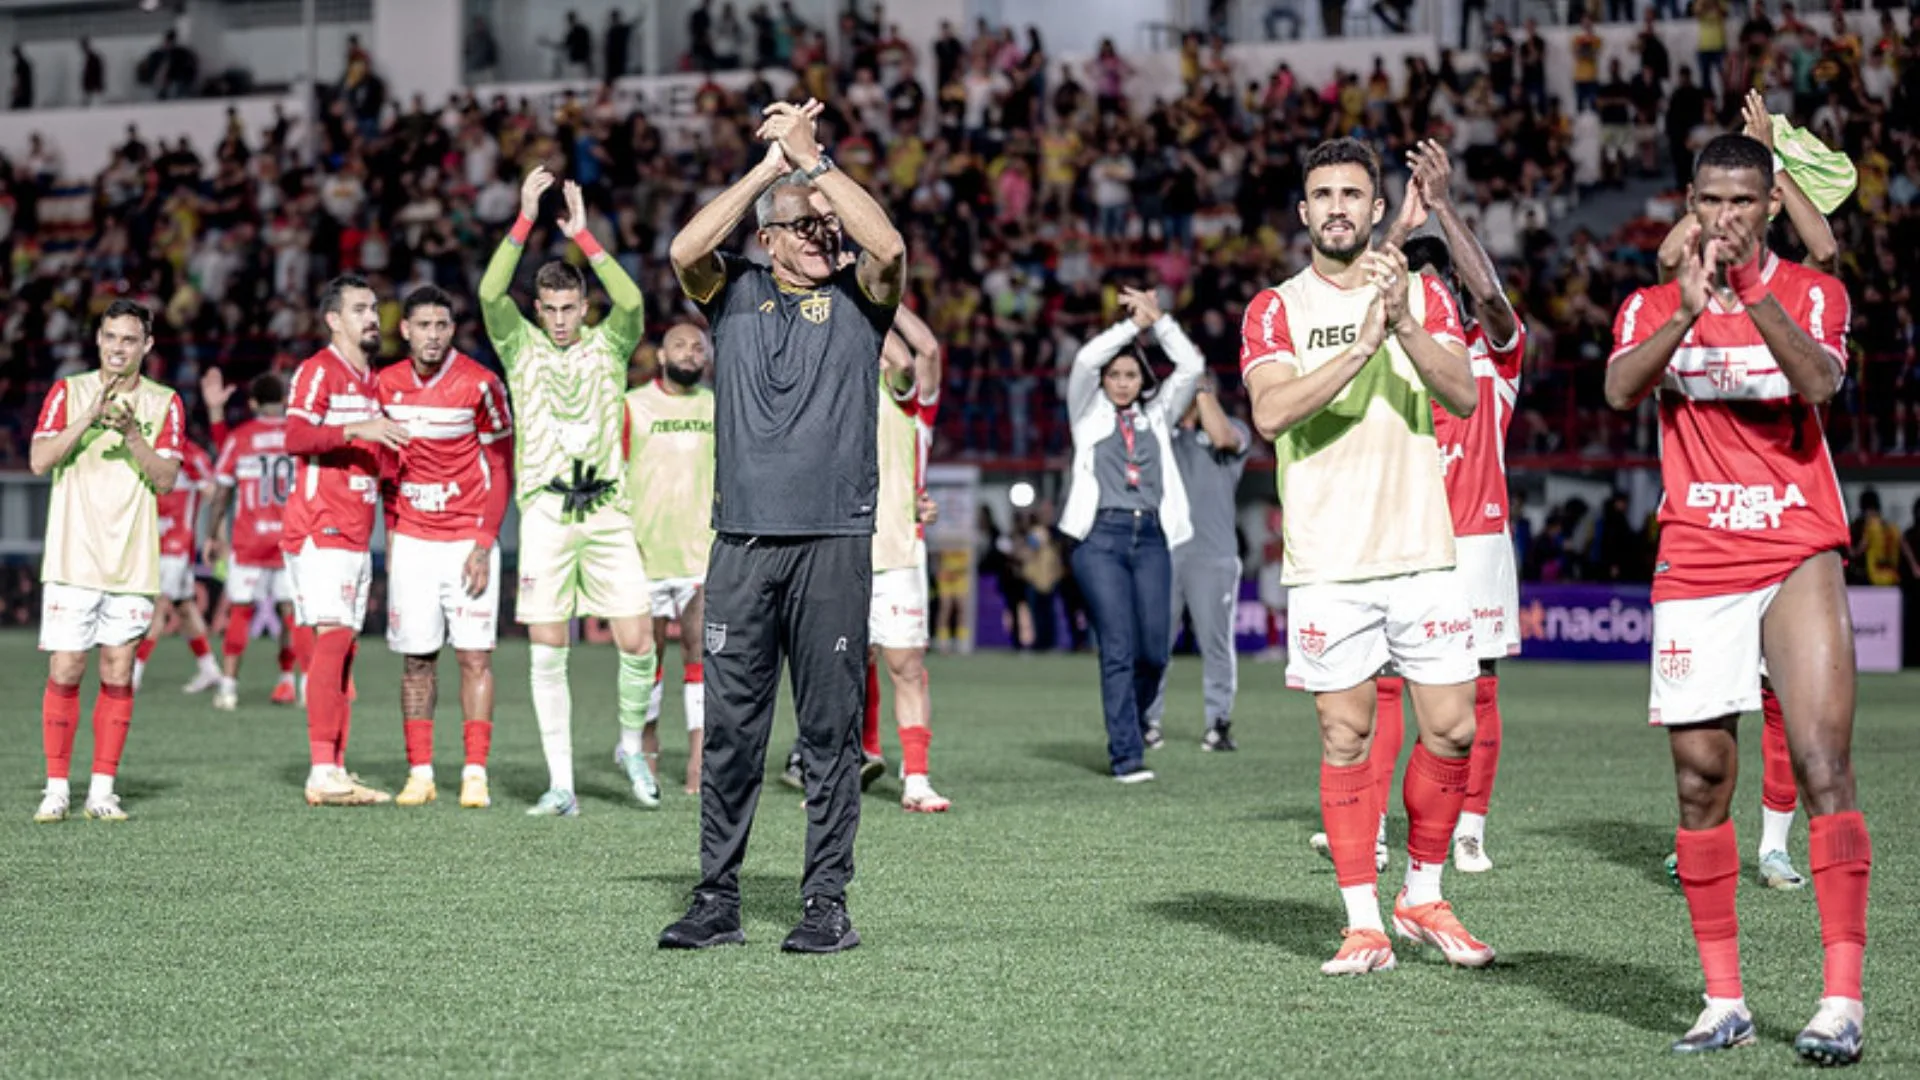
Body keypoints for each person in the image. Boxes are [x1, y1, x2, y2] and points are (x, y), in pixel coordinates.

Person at [1605, 133, 1867, 1064]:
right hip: (1697, 557)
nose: (1725, 219)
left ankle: (1841, 1000)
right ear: (1691, 201)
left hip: (1796, 544)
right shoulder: (1649, 301)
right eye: (1710, 202)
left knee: (1822, 760)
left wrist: (1752, 295)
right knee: (1700, 780)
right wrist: (1683, 314)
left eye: (1743, 204)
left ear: (1769, 208)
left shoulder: (1810, 293)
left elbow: (1821, 380)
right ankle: (1725, 1001)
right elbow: (1618, 386)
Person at [658, 96, 905, 954]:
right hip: (743, 544)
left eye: (828, 224)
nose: (822, 236)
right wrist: (772, 169)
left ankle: (826, 904)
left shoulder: (863, 299)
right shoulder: (734, 293)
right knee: (732, 732)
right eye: (803, 226)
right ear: (767, 237)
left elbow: (892, 247)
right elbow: (686, 248)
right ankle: (717, 897)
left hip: (835, 542)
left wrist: (819, 164)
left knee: (830, 737)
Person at [1240, 137, 1491, 976]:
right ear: (1305, 212)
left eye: (1354, 193)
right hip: (1329, 560)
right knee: (1346, 736)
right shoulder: (1274, 308)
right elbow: (1272, 415)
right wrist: (1360, 347)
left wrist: (1405, 325)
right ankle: (1362, 922)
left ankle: (1422, 895)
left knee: (1452, 730)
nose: (1339, 206)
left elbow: (1461, 393)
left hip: (1421, 549)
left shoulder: (1421, 293)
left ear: (1377, 210)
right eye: (1324, 194)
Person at [1358, 138, 1527, 874]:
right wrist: (1397, 228)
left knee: (1478, 684)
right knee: (1386, 682)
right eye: (1416, 278)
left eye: (1437, 277)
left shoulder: (1492, 356)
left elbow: (1491, 296)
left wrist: (1445, 210)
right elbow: (1350, 306)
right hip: (1403, 536)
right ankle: (1375, 826)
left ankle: (1469, 828)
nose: (1429, 288)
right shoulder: (1391, 355)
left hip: (1478, 540)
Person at [480, 166, 656, 817]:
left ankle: (630, 746)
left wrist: (584, 238)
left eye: (568, 308)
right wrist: (525, 217)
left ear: (585, 307)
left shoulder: (611, 345)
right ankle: (561, 785)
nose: (557, 319)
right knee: (548, 647)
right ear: (538, 310)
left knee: (638, 639)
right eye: (548, 309)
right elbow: (489, 288)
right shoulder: (517, 346)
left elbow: (634, 303)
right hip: (548, 512)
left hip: (608, 509)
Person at [782, 302, 952, 810]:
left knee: (904, 662)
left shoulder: (906, 401)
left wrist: (872, 299)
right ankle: (844, 762)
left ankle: (916, 779)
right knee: (841, 665)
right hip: (836, 549)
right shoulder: (831, 401)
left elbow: (916, 356)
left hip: (896, 551)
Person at [29, 300, 184, 822]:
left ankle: (102, 790)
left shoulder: (165, 403)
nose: (119, 347)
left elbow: (165, 479)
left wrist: (134, 436)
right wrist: (89, 416)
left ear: (147, 346)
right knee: (68, 667)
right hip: (73, 556)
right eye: (111, 337)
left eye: (129, 340)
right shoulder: (68, 391)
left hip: (132, 560)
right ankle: (56, 789)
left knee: (118, 673)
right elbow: (39, 460)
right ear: (98, 339)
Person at [1059, 285, 1204, 783]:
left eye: (1130, 374)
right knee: (1118, 647)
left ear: (1143, 377)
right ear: (1103, 380)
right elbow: (1083, 360)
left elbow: (1191, 367)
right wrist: (1130, 327)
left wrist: (1158, 322)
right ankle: (1126, 754)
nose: (1122, 383)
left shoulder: (1157, 415)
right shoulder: (1086, 412)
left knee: (1154, 651)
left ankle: (1136, 721)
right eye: (1114, 375)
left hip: (1151, 540)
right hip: (1101, 538)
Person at [378, 286, 514, 811]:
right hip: (413, 541)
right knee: (416, 660)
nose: (433, 335)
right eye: (423, 326)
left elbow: (500, 466)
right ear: (405, 329)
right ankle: (420, 773)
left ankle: (474, 773)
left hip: (465, 542)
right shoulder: (384, 387)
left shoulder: (480, 383)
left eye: (442, 325)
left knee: (475, 656)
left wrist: (483, 543)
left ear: (451, 330)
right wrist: (392, 533)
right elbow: (387, 469)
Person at [283, 275, 411, 807]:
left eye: (374, 307)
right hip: (321, 524)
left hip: (357, 531)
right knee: (333, 640)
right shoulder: (319, 371)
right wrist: (359, 429)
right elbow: (294, 436)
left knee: (347, 648)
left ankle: (335, 766)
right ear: (333, 319)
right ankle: (320, 770)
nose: (371, 317)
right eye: (359, 308)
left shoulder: (368, 380)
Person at [623, 323, 717, 796]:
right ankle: (648, 751)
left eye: (698, 346)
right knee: (647, 661)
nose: (690, 352)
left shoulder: (718, 406)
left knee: (702, 659)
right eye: (680, 344)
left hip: (702, 554)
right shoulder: (633, 405)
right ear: (661, 355)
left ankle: (699, 765)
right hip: (643, 552)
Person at [1143, 369, 1249, 753]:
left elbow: (1223, 438)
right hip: (1164, 552)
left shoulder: (1233, 428)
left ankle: (1218, 724)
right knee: (1154, 644)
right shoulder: (1165, 433)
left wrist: (1202, 388)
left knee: (1216, 645)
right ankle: (1146, 720)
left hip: (1213, 555)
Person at [204, 375, 301, 712]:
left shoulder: (242, 437)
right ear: (285, 400)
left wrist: (212, 533)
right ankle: (291, 681)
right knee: (292, 615)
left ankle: (228, 689)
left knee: (241, 612)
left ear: (254, 404)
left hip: (250, 538)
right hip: (292, 538)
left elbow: (221, 491)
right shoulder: (299, 434)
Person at [134, 435, 222, 695]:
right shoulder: (145, 447)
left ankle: (134, 673)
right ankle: (209, 669)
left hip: (176, 545)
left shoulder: (190, 454)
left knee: (159, 605)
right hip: (154, 541)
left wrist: (212, 532)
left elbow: (212, 491)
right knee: (184, 607)